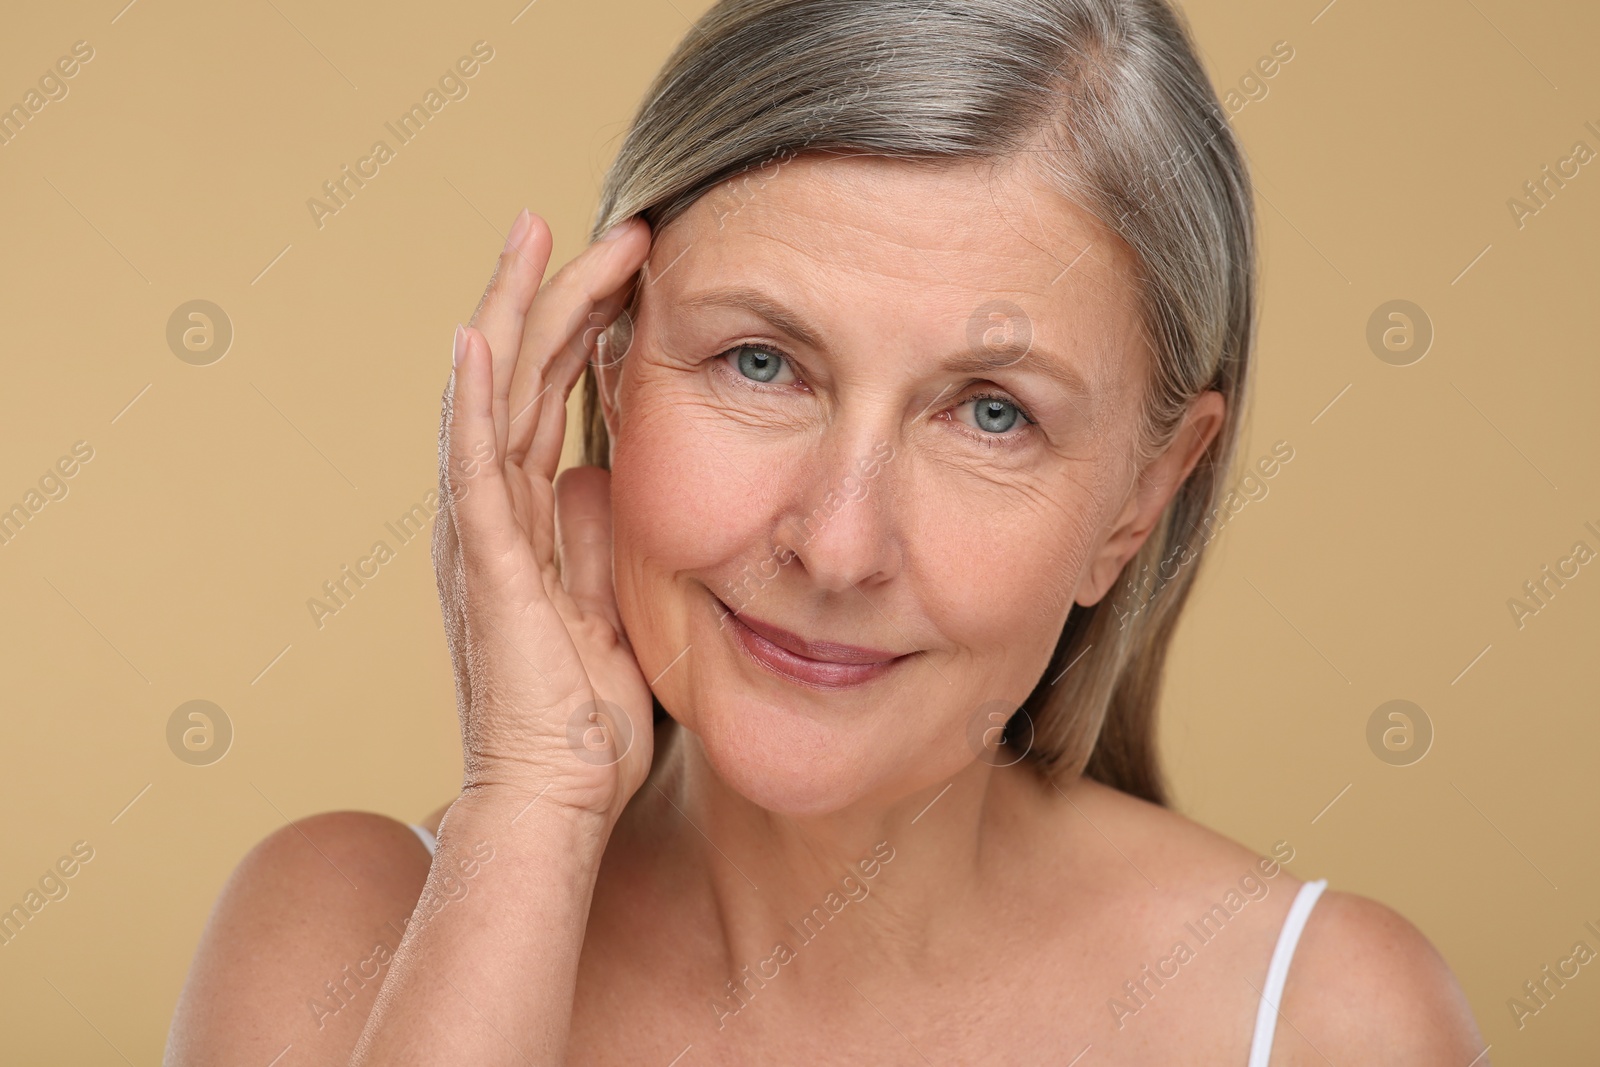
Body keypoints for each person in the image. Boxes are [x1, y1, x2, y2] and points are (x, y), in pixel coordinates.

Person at [166, 0, 1487, 1063]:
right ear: (605, 370)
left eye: (989, 413)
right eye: (760, 364)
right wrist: (530, 812)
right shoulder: (334, 941)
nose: (841, 544)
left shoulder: (1327, 1023)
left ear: (1142, 498)